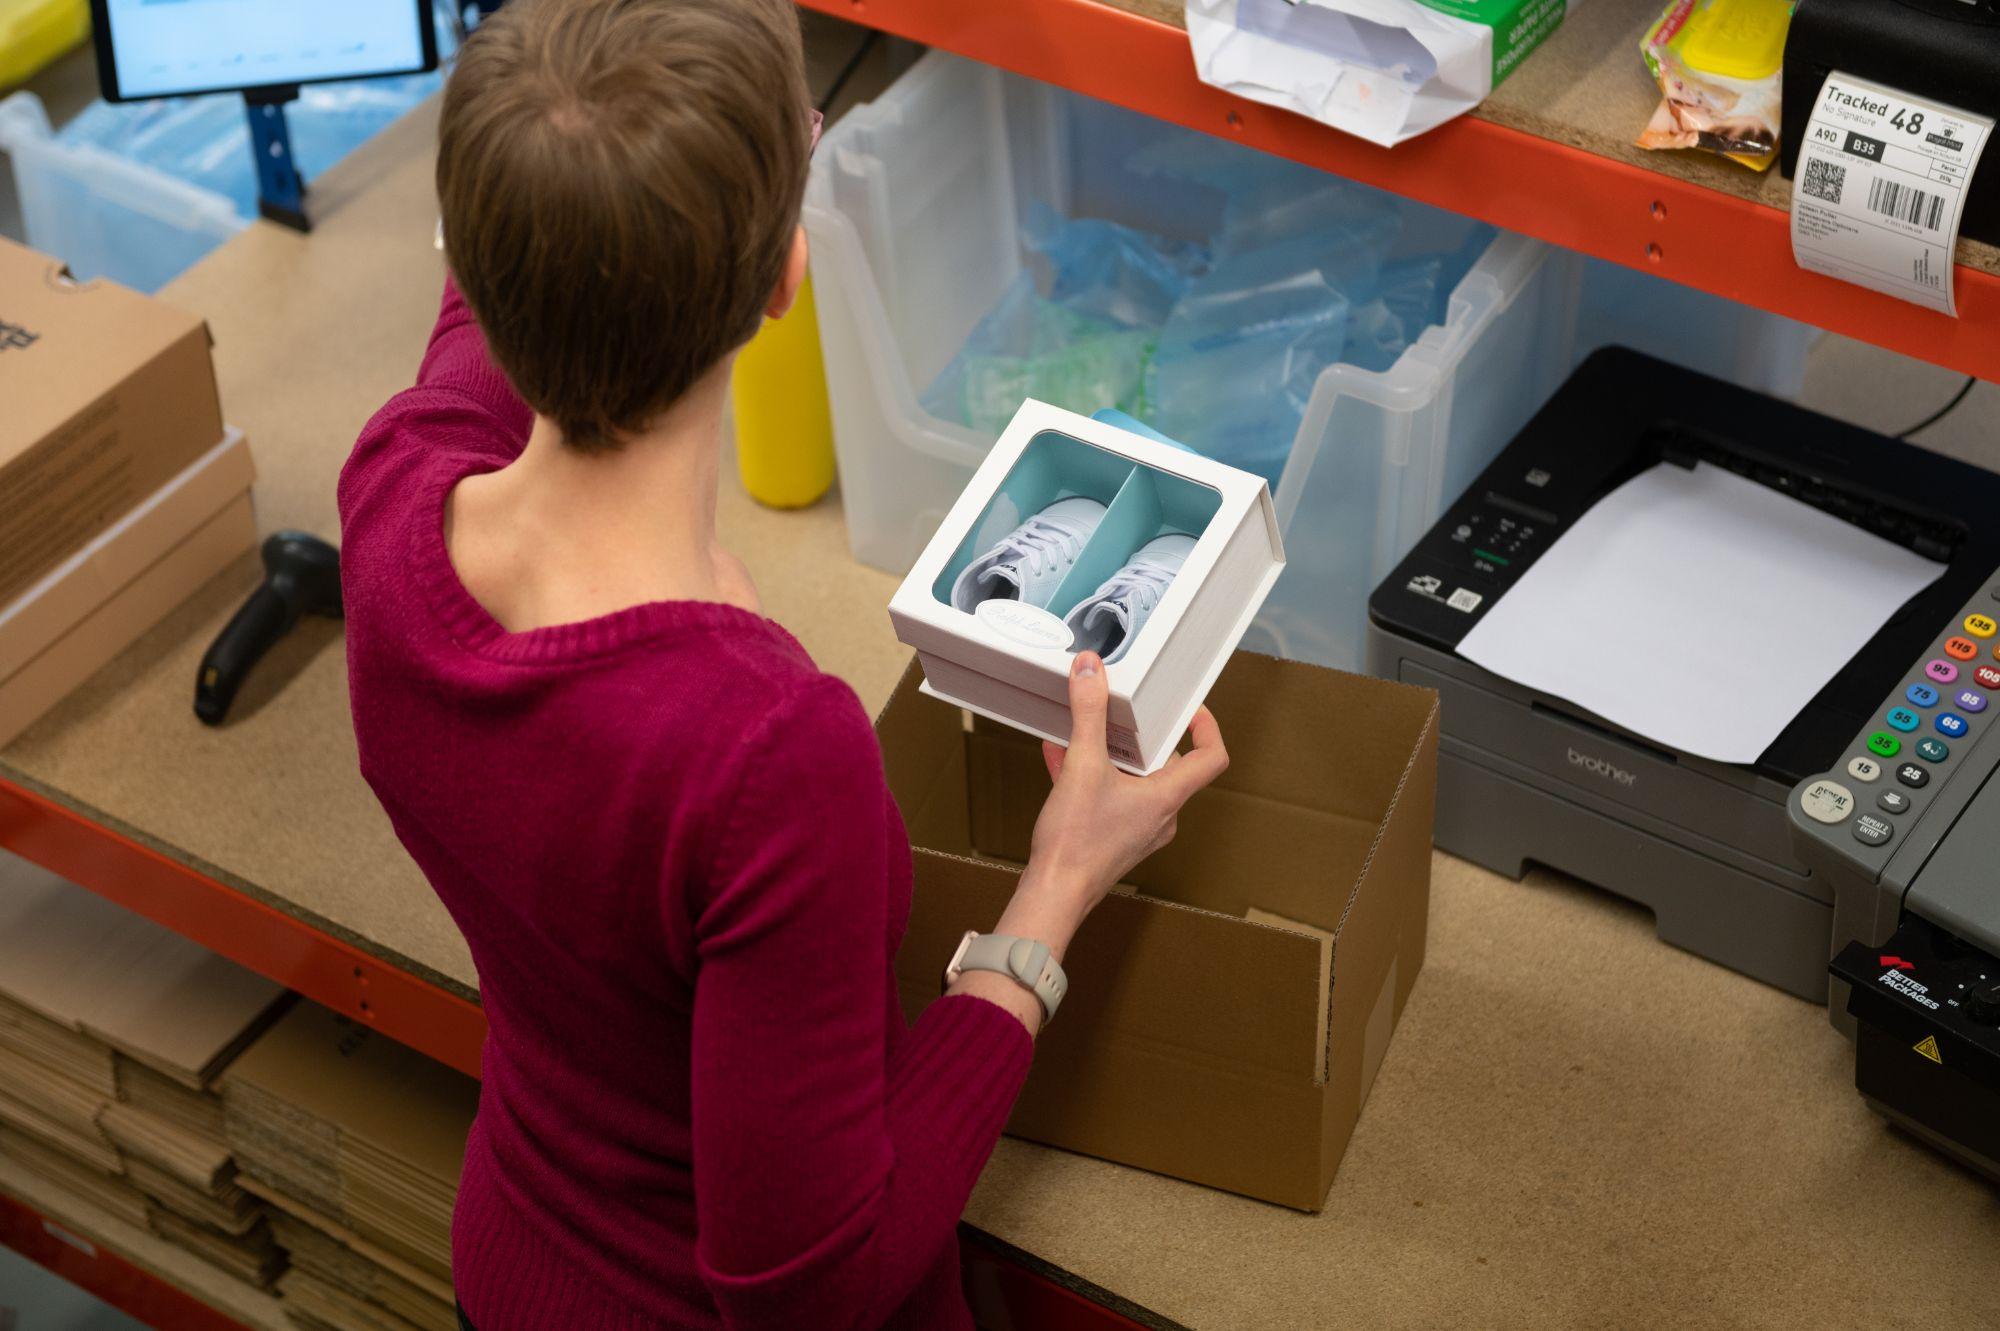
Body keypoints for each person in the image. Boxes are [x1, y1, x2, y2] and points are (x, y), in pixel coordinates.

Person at [337, 1, 1230, 1327]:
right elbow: (810, 1290)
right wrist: (1055, 892)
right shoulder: (760, 753)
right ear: (785, 277)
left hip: (515, 1268)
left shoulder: (395, 490)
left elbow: (509, 243)